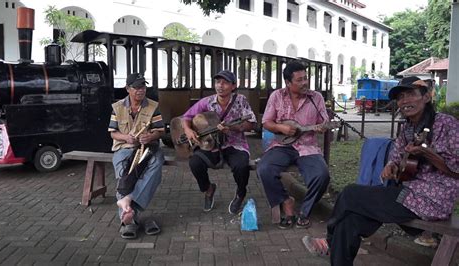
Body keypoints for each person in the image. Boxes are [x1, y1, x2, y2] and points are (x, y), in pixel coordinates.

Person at [302, 76, 459, 266]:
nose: (405, 101)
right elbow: (397, 157)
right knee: (349, 222)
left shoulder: (446, 124)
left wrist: (428, 153)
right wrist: (391, 166)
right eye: (401, 97)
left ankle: (329, 242)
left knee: (351, 193)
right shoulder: (408, 128)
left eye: (411, 94)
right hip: (407, 195)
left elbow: (456, 170)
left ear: (426, 97)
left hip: (432, 201)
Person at [256, 60, 330, 229]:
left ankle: (305, 211)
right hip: (282, 145)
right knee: (264, 169)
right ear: (288, 83)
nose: (304, 83)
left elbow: (324, 122)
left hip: (308, 146)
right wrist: (280, 127)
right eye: (299, 80)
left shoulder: (316, 97)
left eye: (306, 78)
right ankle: (286, 202)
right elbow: (266, 122)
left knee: (322, 175)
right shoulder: (277, 96)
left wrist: (323, 128)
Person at [182, 70, 257, 214]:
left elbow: (252, 123)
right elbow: (187, 117)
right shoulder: (207, 101)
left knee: (241, 165)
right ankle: (208, 189)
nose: (220, 86)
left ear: (233, 86)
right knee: (195, 163)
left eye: (225, 82)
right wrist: (188, 130)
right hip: (211, 144)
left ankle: (241, 193)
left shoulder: (241, 100)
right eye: (218, 82)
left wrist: (234, 127)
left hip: (235, 143)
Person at [108, 73, 165, 239]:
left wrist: (151, 136)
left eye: (143, 87)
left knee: (157, 161)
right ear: (128, 89)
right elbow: (113, 133)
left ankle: (127, 207)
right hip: (124, 147)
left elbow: (161, 131)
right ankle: (130, 218)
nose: (141, 90)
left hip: (146, 147)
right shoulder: (117, 107)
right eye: (137, 87)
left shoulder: (153, 106)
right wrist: (126, 137)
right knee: (123, 171)